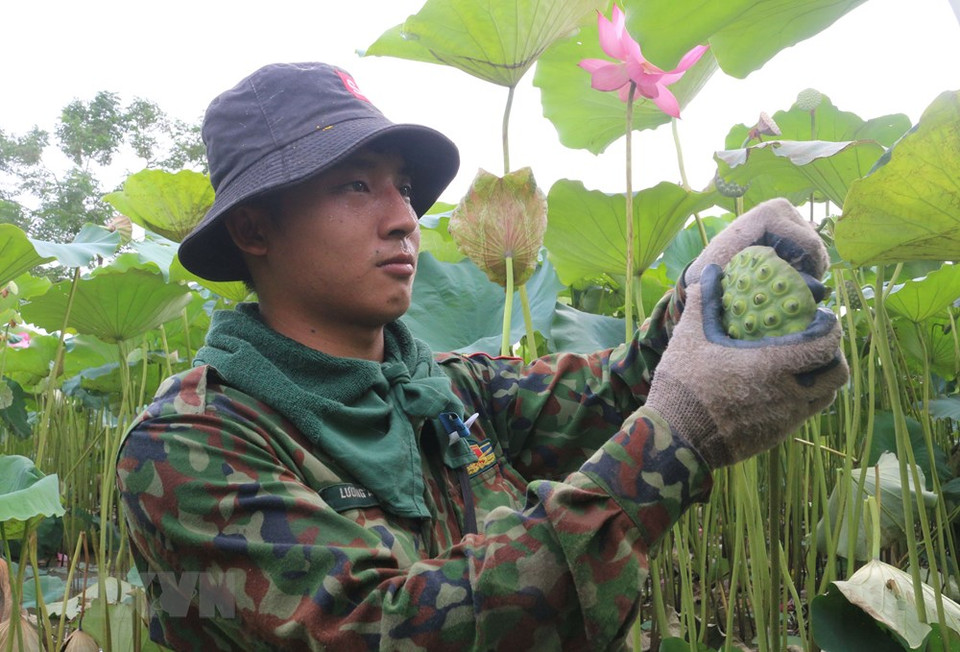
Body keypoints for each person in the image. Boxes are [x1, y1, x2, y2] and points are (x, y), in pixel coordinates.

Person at [115, 62, 849, 651]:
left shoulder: (449, 388)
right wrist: (674, 440)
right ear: (253, 230)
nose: (404, 218)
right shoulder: (191, 444)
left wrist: (700, 297)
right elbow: (384, 631)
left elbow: (623, 388)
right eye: (356, 185)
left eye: (404, 188)